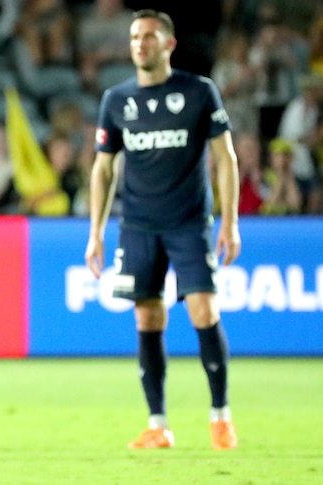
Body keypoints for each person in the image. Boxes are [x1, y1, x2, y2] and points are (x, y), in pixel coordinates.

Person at [84, 10, 241, 450]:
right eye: (135, 36)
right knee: (147, 316)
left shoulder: (198, 92)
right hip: (137, 226)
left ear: (168, 44)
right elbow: (103, 168)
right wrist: (95, 232)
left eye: (149, 36)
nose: (140, 43)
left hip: (190, 222)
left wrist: (229, 221)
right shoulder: (117, 100)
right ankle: (158, 425)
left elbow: (225, 158)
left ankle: (220, 416)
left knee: (203, 312)